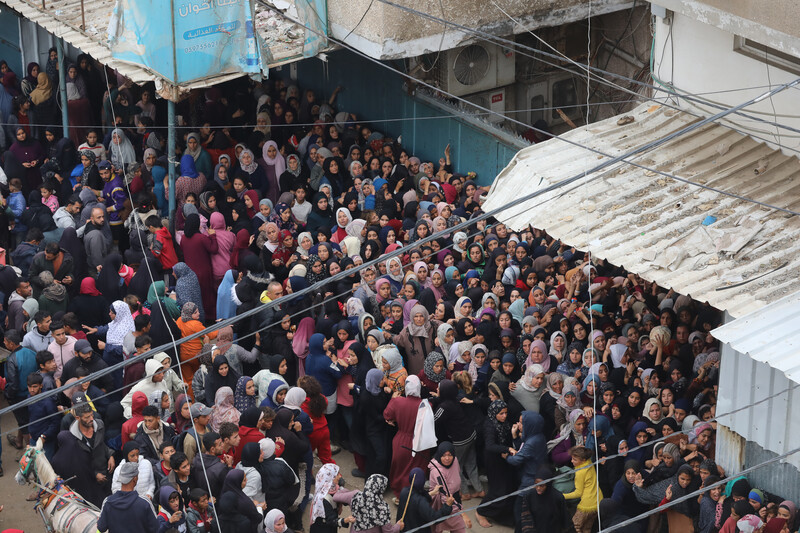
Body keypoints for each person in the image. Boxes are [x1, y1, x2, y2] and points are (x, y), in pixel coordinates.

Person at [51, 402, 115, 507]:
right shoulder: (73, 438)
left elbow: (102, 444)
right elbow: (78, 463)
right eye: (87, 417)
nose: (91, 419)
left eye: (91, 415)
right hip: (89, 479)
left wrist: (110, 455)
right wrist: (95, 475)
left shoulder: (99, 425)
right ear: (77, 418)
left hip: (106, 472)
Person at [97, 462, 159, 533]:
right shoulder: (144, 503)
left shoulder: (108, 502)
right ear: (135, 479)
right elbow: (156, 528)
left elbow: (101, 527)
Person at [397, 468, 453, 533]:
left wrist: (431, 493)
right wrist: (447, 506)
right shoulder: (421, 501)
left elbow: (415, 496)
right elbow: (434, 518)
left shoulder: (404, 491)